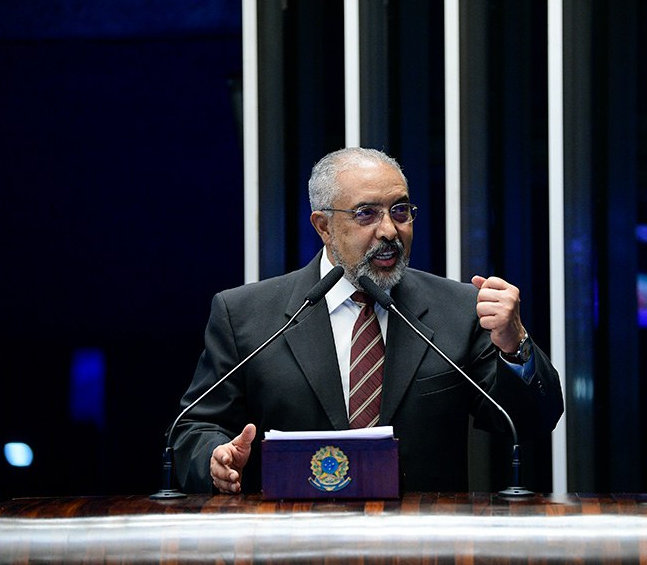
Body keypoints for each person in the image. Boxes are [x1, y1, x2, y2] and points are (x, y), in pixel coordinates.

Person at [171, 147, 563, 494]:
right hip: (293, 541)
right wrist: (214, 460)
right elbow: (192, 430)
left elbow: (531, 422)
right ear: (323, 226)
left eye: (401, 211)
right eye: (366, 214)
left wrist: (515, 343)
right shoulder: (246, 315)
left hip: (422, 546)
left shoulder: (459, 310)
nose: (390, 230)